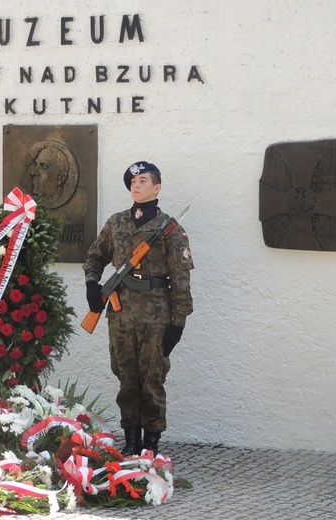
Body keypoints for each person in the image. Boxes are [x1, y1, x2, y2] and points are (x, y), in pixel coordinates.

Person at [83, 161, 193, 456]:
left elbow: (181, 278)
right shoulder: (116, 223)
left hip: (156, 316)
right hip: (120, 315)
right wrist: (92, 284)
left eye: (144, 180)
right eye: (133, 181)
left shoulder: (170, 229)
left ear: (157, 188)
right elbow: (95, 256)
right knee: (126, 376)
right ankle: (131, 439)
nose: (137, 185)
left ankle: (151, 442)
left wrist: (178, 322)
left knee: (152, 379)